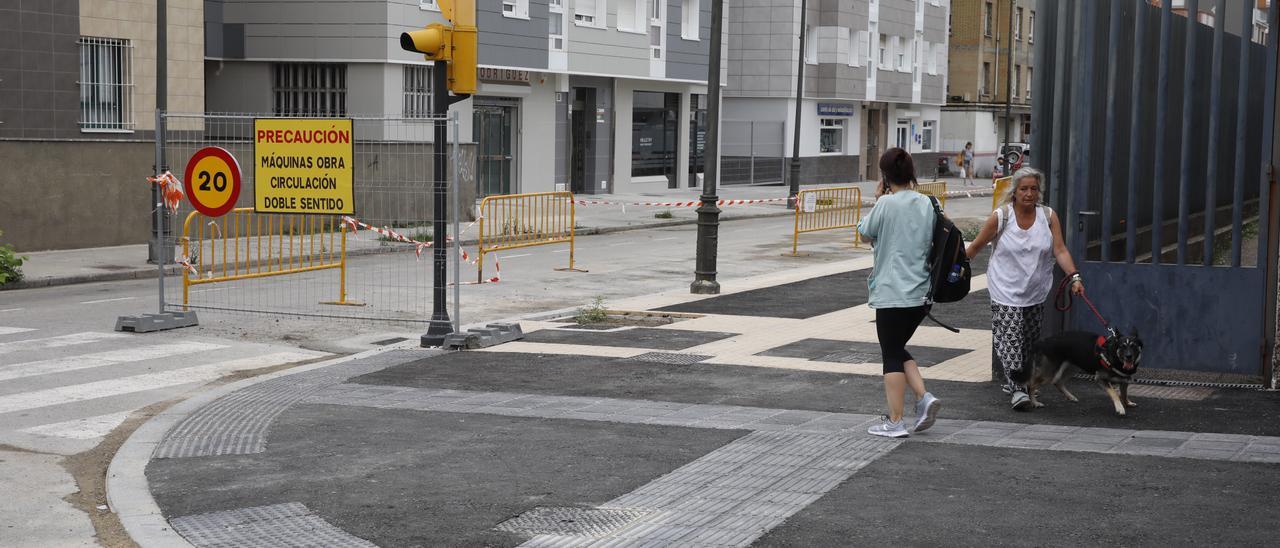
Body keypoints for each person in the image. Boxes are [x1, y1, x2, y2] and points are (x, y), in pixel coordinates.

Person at [964, 167, 1085, 410]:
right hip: (1004, 289)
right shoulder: (1001, 217)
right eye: (1023, 189)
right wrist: (951, 269)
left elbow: (1059, 250)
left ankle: (1016, 381)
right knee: (1010, 338)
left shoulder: (1048, 216)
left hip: (1035, 290)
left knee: (1029, 343)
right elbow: (975, 247)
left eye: (1033, 189)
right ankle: (1018, 389)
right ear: (1015, 192)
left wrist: (1074, 277)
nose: (1029, 194)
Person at [857, 148, 942, 438]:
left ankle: (895, 421)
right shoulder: (930, 203)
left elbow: (865, 232)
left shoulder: (886, 204)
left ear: (885, 176)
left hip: (893, 292)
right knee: (896, 347)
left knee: (890, 353)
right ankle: (923, 397)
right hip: (920, 294)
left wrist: (879, 200)